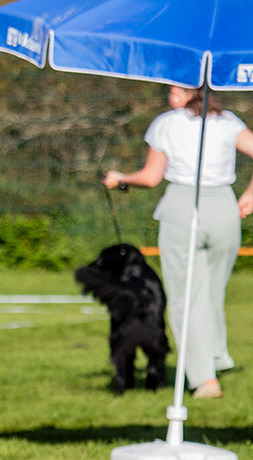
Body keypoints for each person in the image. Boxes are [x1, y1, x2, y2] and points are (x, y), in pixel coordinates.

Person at [103, 85, 253, 399]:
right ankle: (215, 355)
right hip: (224, 208)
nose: (171, 96)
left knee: (187, 298)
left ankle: (204, 379)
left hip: (184, 207)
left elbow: (151, 177)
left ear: (191, 91)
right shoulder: (228, 121)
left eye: (177, 90)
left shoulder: (166, 123)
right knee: (211, 292)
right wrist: (250, 195)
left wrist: (121, 179)